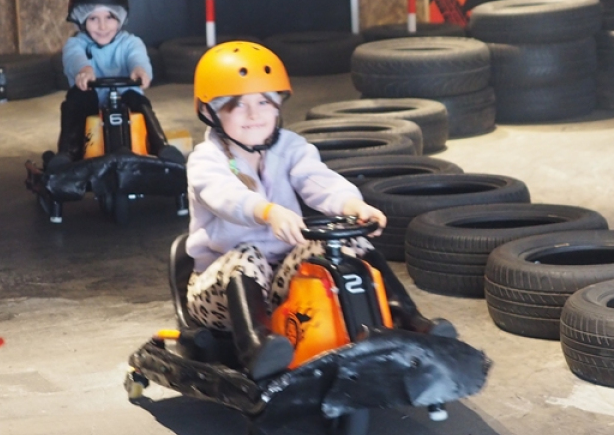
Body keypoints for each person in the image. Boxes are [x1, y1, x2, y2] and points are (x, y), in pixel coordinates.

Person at [185, 42, 454, 380]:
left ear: (278, 106)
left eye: (264, 102)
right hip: (221, 292)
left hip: (280, 280)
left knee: (344, 242)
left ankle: (405, 317)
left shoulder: (289, 146)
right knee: (246, 256)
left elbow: (318, 180)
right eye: (238, 105)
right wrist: (267, 212)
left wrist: (352, 204)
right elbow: (224, 196)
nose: (254, 115)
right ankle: (256, 346)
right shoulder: (206, 159)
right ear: (210, 112)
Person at [49, 0, 176, 169]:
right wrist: (84, 70)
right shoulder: (76, 44)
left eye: (109, 17)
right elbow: (75, 58)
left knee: (139, 101)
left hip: (125, 98)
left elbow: (137, 57)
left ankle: (160, 145)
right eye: (93, 18)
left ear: (121, 18)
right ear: (81, 19)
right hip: (90, 102)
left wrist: (139, 70)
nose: (102, 26)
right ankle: (68, 151)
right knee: (75, 100)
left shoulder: (130, 43)